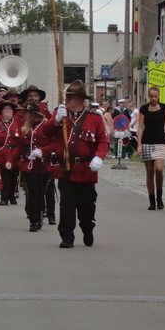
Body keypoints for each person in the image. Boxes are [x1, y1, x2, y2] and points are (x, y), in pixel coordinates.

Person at [41, 80, 109, 248]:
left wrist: (99, 157)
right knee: (67, 205)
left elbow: (103, 141)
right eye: (67, 97)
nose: (67, 101)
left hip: (86, 170)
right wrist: (55, 119)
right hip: (66, 169)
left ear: (81, 100)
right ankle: (67, 236)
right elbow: (45, 132)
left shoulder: (94, 119)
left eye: (71, 98)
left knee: (86, 206)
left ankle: (87, 229)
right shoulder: (61, 114)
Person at [13, 98, 53, 231]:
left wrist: (43, 151)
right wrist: (10, 161)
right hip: (28, 164)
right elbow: (20, 147)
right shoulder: (25, 128)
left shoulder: (46, 126)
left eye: (27, 113)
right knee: (32, 192)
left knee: (42, 192)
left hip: (43, 164)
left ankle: (41, 214)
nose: (24, 115)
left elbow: (53, 144)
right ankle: (33, 220)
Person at [136, 86, 165, 210]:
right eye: (151, 96)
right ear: (149, 96)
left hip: (160, 142)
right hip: (147, 142)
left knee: (159, 169)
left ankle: (160, 197)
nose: (153, 98)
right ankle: (152, 200)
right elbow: (140, 126)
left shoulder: (163, 108)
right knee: (149, 171)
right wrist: (139, 144)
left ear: (159, 96)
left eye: (156, 96)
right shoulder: (144, 109)